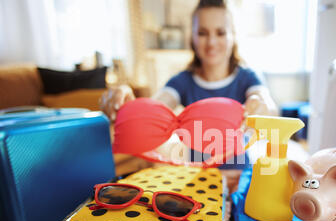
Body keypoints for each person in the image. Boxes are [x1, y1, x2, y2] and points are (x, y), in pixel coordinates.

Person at [100, 0, 278, 181]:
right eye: (202, 33)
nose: (211, 42)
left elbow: (268, 105)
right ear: (191, 37)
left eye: (221, 32)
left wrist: (260, 103)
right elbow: (157, 104)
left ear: (233, 35)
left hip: (239, 178)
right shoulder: (182, 81)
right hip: (199, 180)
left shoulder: (247, 78)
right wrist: (132, 107)